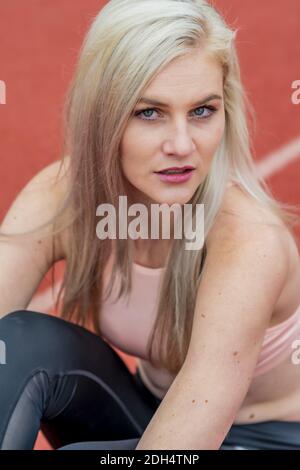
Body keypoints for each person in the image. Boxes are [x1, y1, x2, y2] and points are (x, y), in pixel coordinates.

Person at [1, 0, 300, 450]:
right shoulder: (64, 196)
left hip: (267, 440)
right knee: (20, 344)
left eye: (202, 111)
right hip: (154, 411)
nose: (183, 145)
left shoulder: (248, 242)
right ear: (102, 116)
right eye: (149, 112)